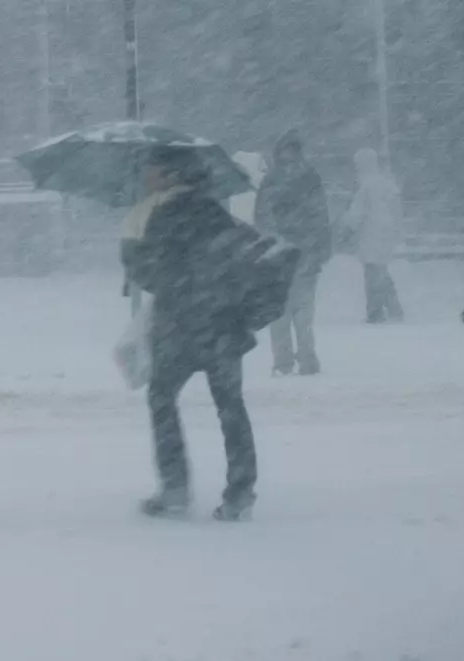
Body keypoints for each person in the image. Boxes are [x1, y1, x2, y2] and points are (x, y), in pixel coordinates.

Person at [121, 147, 259, 522]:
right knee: (230, 406)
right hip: (223, 325)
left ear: (170, 175)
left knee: (162, 398)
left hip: (181, 326)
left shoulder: (162, 215)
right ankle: (240, 491)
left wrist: (131, 252)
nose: (145, 175)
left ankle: (175, 487)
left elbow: (154, 275)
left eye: (151, 169)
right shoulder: (215, 212)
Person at [254, 130, 332, 376]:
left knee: (279, 312)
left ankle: (282, 360)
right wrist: (321, 248)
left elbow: (262, 218)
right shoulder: (310, 177)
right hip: (305, 252)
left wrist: (268, 245)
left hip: (279, 254)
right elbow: (320, 215)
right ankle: (307, 359)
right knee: (304, 311)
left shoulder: (271, 180)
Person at [343, 148, 404, 324]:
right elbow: (397, 211)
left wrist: (347, 225)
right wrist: (396, 231)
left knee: (372, 276)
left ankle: (375, 313)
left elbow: (356, 214)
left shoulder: (366, 186)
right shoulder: (387, 184)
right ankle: (394, 309)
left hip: (371, 236)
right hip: (385, 236)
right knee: (381, 273)